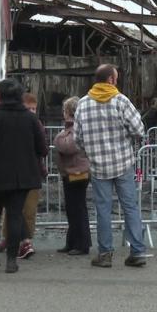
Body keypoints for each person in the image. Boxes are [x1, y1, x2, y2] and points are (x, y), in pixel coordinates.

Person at [74, 64, 147, 268]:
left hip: (98, 166)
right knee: (130, 207)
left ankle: (105, 254)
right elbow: (139, 130)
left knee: (103, 210)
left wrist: (91, 152)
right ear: (111, 80)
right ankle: (137, 252)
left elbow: (77, 138)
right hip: (123, 163)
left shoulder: (83, 104)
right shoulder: (121, 101)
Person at [0, 79, 48, 273]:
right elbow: (42, 148)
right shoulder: (31, 119)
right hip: (22, 176)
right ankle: (11, 259)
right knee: (15, 215)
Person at [0, 92, 45, 259]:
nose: (31, 111)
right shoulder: (19, 122)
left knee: (29, 210)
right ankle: (10, 239)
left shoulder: (36, 124)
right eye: (28, 108)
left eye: (34, 108)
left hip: (31, 172)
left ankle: (26, 241)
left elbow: (42, 149)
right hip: (23, 171)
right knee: (12, 209)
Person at [54, 96, 92, 255]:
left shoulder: (75, 128)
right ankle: (72, 242)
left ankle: (81, 244)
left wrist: (58, 137)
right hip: (73, 171)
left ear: (69, 112)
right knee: (72, 208)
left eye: (64, 110)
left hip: (77, 172)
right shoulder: (76, 127)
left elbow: (67, 146)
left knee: (77, 208)